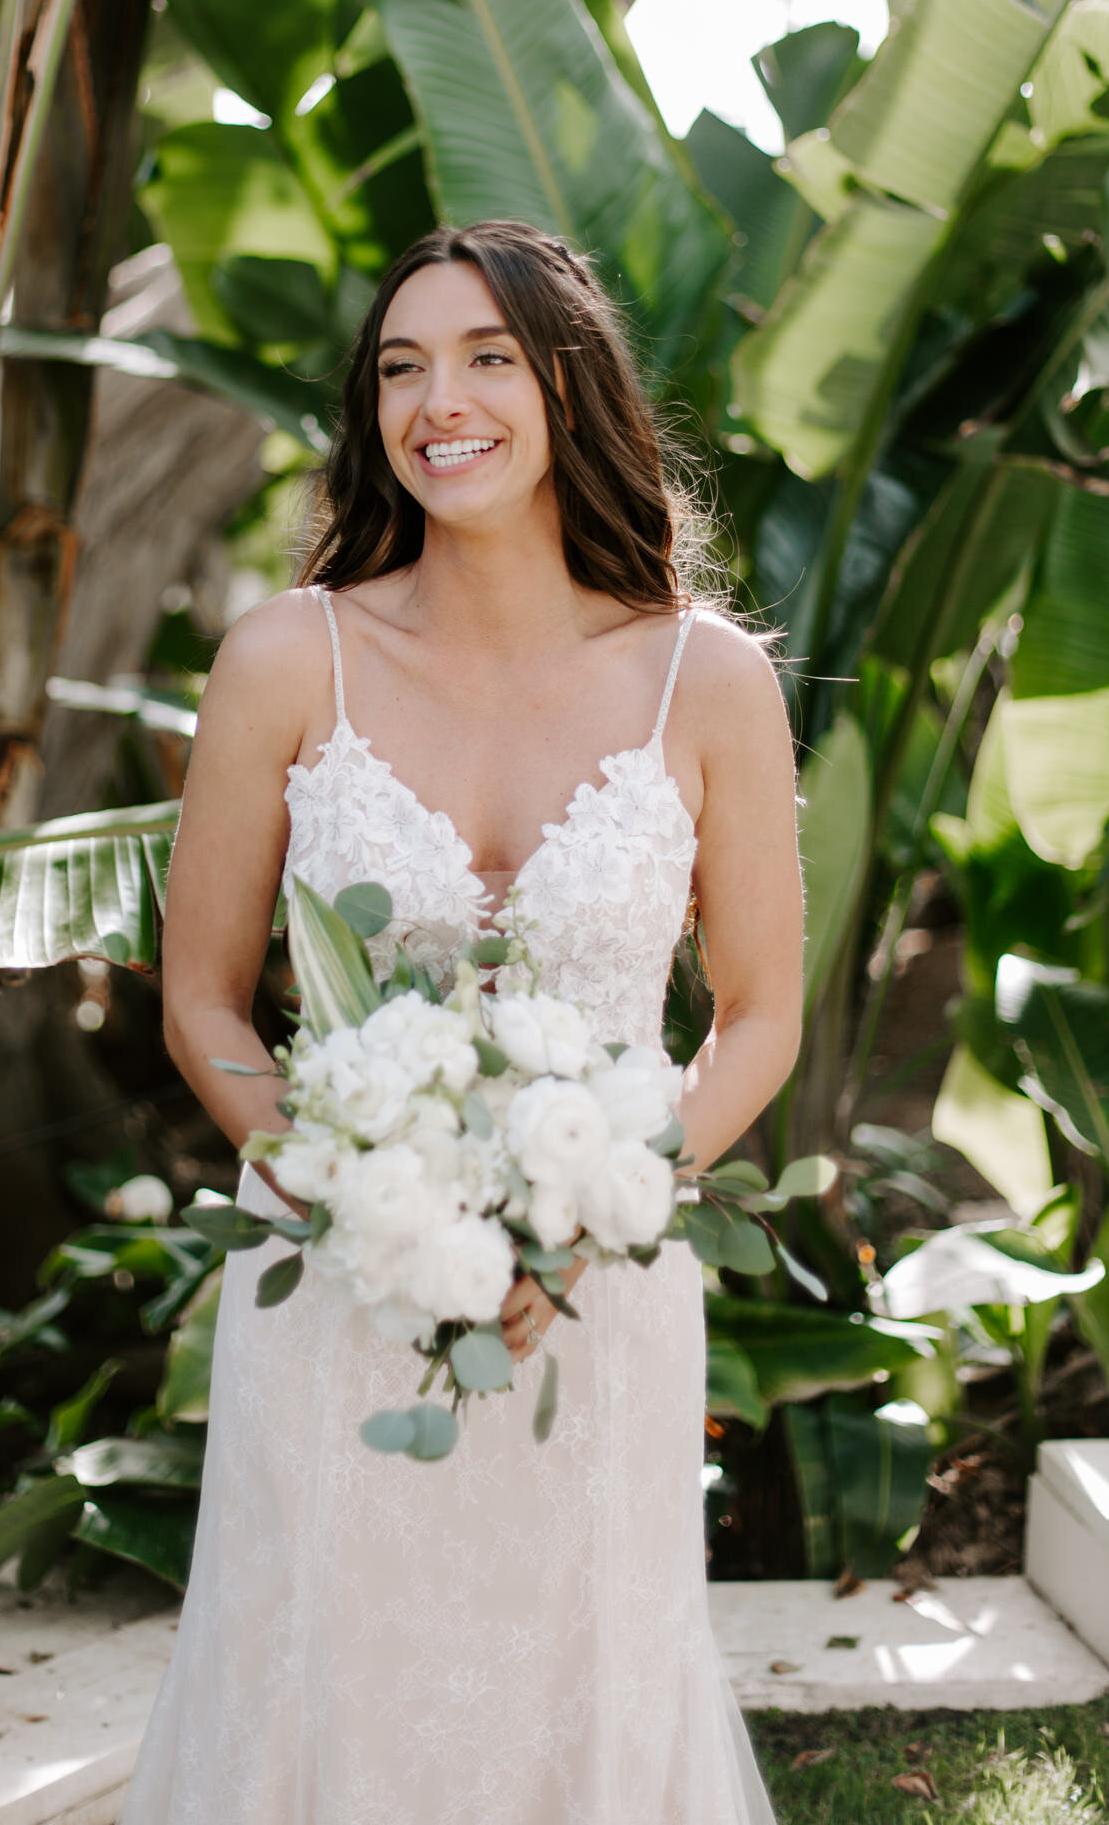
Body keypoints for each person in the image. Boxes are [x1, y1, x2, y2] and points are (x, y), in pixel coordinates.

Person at [120, 220, 802, 1824]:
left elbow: (757, 1017)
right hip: (337, 1276)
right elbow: (205, 1000)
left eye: (488, 356)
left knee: (587, 1678)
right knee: (322, 1678)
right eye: (402, 367)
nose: (442, 400)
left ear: (568, 386)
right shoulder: (292, 659)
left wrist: (592, 1222)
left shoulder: (703, 680)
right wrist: (354, 1193)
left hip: (603, 1292)